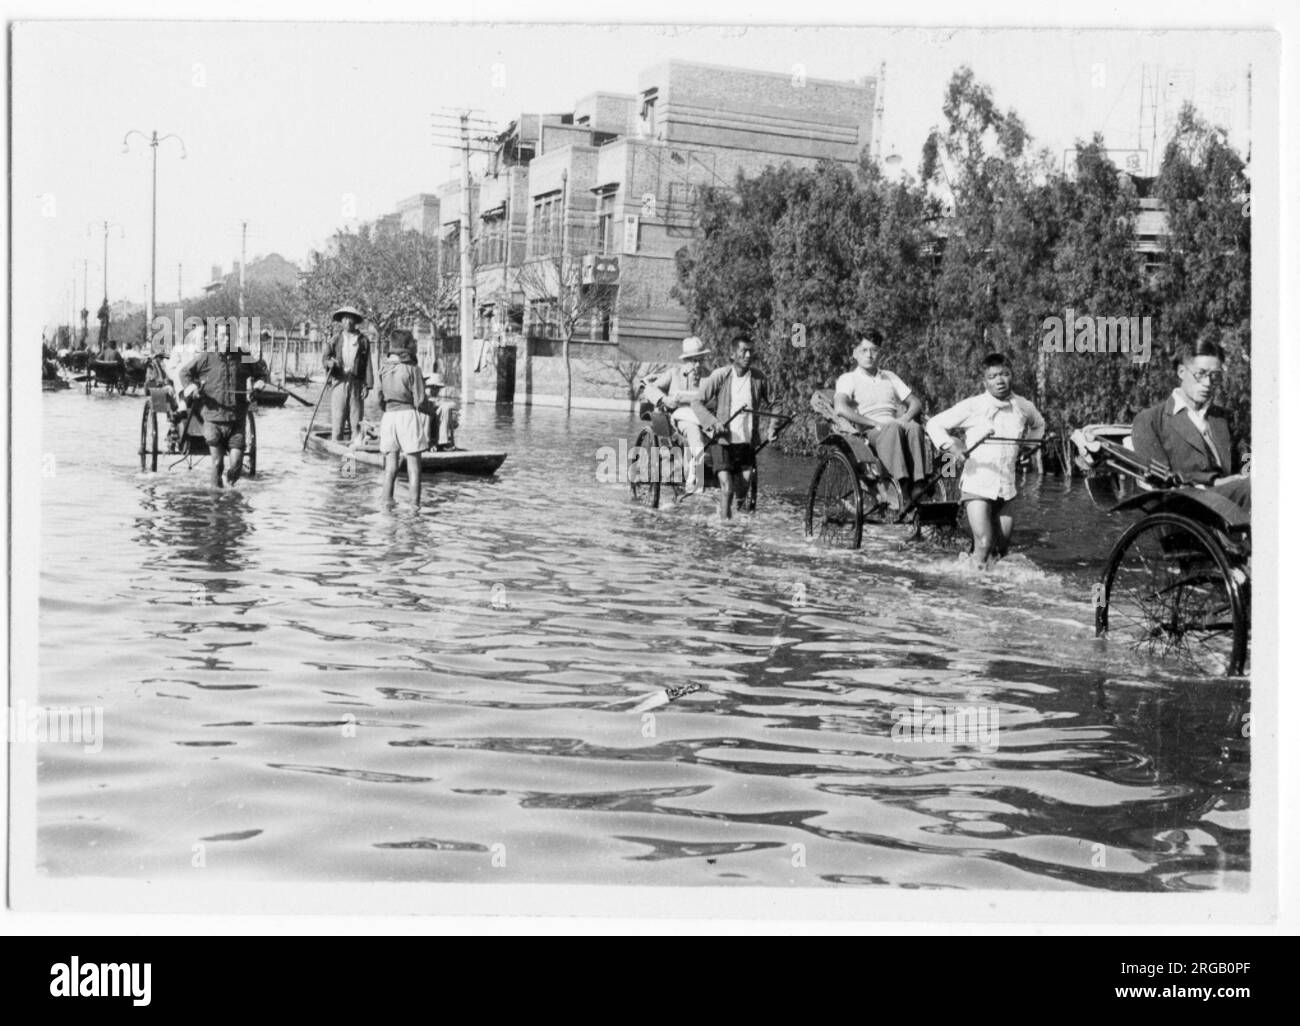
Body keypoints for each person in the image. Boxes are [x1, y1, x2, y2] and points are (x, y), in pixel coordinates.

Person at [926, 353, 1046, 568]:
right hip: (977, 485)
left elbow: (1039, 424)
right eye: (992, 376)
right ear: (985, 381)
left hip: (1007, 488)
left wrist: (1028, 447)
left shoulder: (1023, 406)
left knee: (1001, 548)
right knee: (983, 543)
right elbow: (934, 424)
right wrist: (953, 447)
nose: (999, 380)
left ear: (1012, 376)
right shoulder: (973, 406)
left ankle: (993, 592)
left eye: (1004, 374)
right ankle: (972, 591)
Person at [1131, 338, 1250, 512]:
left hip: (1231, 499)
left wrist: (1248, 471)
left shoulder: (1224, 418)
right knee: (1255, 488)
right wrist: (1214, 481)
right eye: (1200, 374)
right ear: (1181, 372)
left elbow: (1247, 455)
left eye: (1215, 376)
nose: (1208, 383)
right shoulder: (1149, 420)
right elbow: (1159, 477)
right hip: (1186, 507)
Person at [834, 330, 927, 502]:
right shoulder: (848, 378)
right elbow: (840, 408)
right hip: (871, 432)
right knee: (892, 427)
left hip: (895, 425)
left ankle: (919, 483)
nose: (869, 355)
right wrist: (873, 423)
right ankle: (902, 485)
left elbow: (916, 403)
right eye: (864, 350)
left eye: (874, 350)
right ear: (855, 353)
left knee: (914, 427)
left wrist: (905, 418)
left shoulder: (889, 376)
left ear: (880, 354)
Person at [180, 325, 268, 489]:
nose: (226, 339)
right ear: (216, 338)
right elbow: (184, 373)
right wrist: (192, 389)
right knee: (218, 463)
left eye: (230, 336)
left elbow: (261, 374)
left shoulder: (244, 356)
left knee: (236, 465)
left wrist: (256, 387)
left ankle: (230, 494)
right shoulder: (206, 357)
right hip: (213, 418)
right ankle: (216, 502)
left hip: (237, 419)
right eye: (223, 335)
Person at [694, 337, 773, 519]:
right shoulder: (720, 376)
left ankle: (732, 517)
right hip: (722, 442)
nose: (748, 355)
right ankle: (725, 529)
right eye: (743, 351)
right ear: (732, 354)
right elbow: (697, 402)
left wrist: (773, 428)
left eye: (750, 351)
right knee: (727, 489)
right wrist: (714, 423)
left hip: (745, 443)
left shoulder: (759, 378)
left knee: (744, 485)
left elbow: (776, 402)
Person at [642, 336, 711, 495]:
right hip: (680, 420)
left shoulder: (709, 376)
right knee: (694, 433)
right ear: (685, 361)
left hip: (705, 418)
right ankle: (696, 482)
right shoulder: (674, 374)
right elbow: (650, 388)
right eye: (694, 361)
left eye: (700, 360)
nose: (698, 365)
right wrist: (664, 399)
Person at [376, 341, 428, 509]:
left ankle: (387, 503)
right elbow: (420, 400)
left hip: (389, 417)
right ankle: (414, 506)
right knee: (414, 467)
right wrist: (432, 412)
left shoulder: (383, 369)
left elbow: (379, 399)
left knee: (390, 468)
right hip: (407, 415)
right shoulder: (412, 368)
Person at [322, 305, 373, 445]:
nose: (348, 322)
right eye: (345, 319)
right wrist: (330, 363)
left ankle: (353, 457)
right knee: (338, 420)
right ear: (341, 321)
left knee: (356, 421)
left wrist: (367, 385)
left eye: (351, 319)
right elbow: (325, 358)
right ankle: (336, 453)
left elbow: (367, 363)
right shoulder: (335, 339)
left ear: (355, 321)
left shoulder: (363, 340)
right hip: (339, 381)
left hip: (356, 382)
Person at [422, 372, 458, 451]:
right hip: (422, 427)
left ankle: (442, 442)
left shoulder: (439, 402)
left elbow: (453, 405)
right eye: (432, 387)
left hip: (435, 425)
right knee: (426, 412)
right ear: (425, 387)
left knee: (445, 408)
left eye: (437, 388)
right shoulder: (421, 397)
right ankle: (427, 443)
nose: (435, 390)